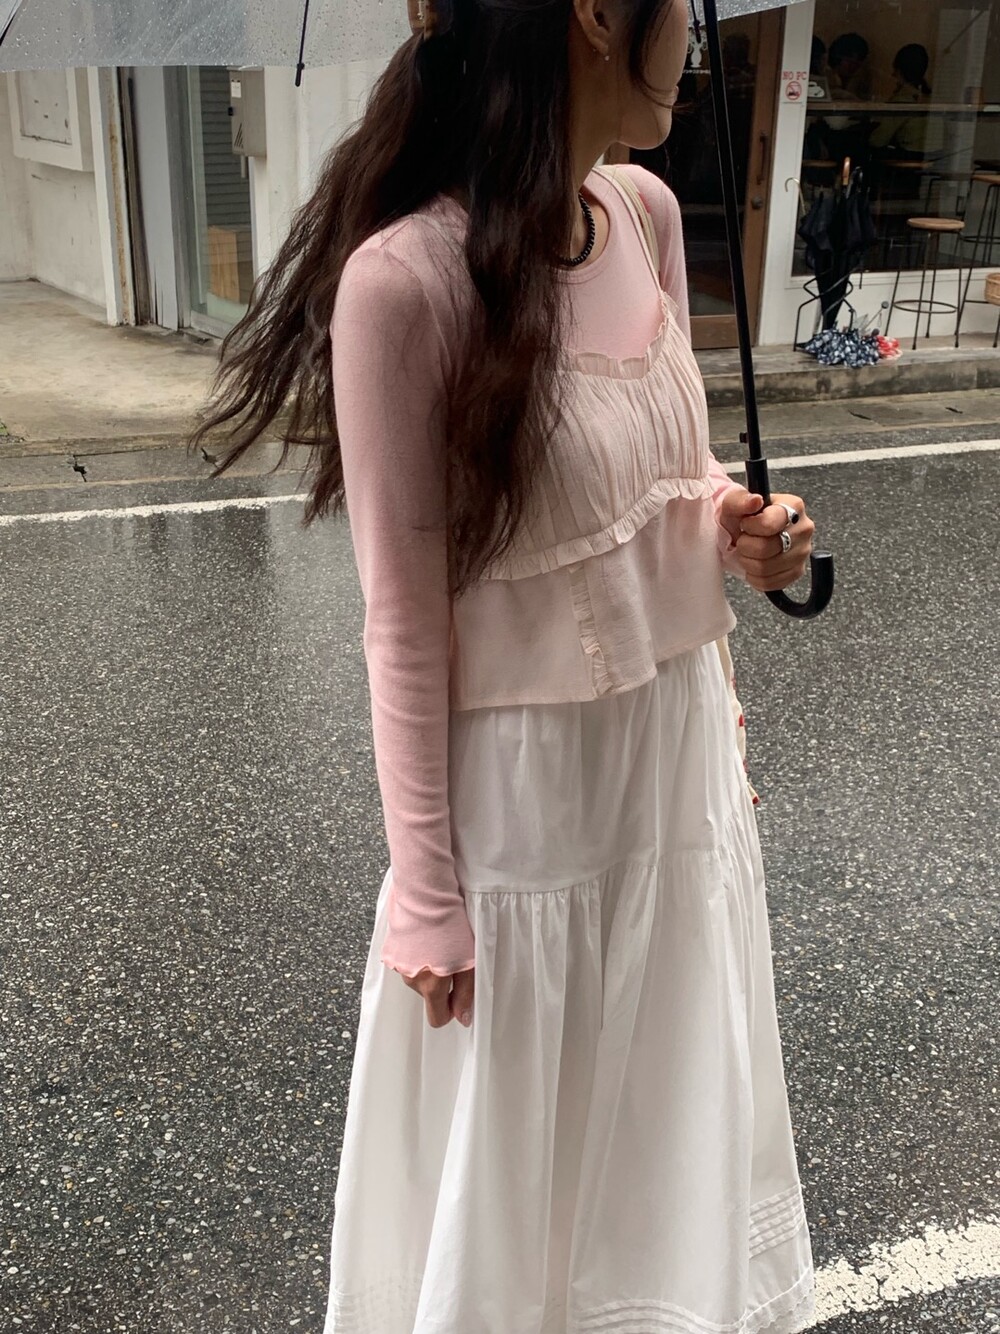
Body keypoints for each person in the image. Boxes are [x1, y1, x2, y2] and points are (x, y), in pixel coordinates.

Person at [192, 0, 818, 1328]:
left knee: (661, 1122)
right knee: (521, 1174)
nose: (691, 37)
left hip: (675, 764)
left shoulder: (643, 214)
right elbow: (403, 616)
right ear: (594, 15)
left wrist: (734, 526)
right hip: (529, 807)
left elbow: (661, 471)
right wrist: (426, 890)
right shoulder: (405, 283)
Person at [827, 31, 873, 100]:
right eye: (850, 62)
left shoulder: (858, 82)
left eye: (857, 64)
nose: (853, 67)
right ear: (838, 58)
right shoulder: (826, 79)